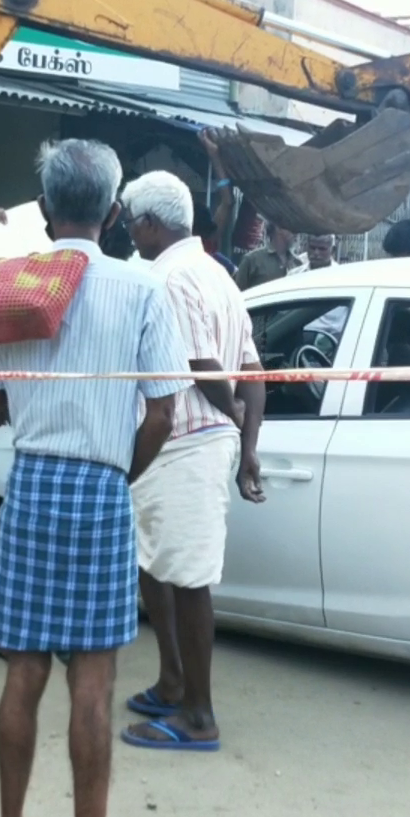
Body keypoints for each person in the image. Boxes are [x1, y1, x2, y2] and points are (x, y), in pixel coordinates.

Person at [0, 139, 189, 817]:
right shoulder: (142, 288)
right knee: (93, 680)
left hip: (32, 481)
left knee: (24, 670)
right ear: (114, 207)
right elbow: (163, 414)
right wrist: (115, 478)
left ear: (46, 201)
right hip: (100, 485)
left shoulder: (5, 284)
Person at [116, 172, 264, 755]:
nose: (129, 232)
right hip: (186, 444)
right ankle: (172, 679)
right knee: (158, 566)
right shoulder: (217, 273)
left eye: (131, 222)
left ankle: (198, 715)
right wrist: (247, 445)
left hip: (185, 441)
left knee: (188, 578)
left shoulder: (170, 278)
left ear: (149, 224)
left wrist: (230, 422)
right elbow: (254, 372)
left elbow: (205, 364)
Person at [235, 219, 302, 289]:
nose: (295, 233)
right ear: (278, 228)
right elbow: (237, 294)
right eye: (291, 228)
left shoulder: (298, 263)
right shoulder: (252, 261)